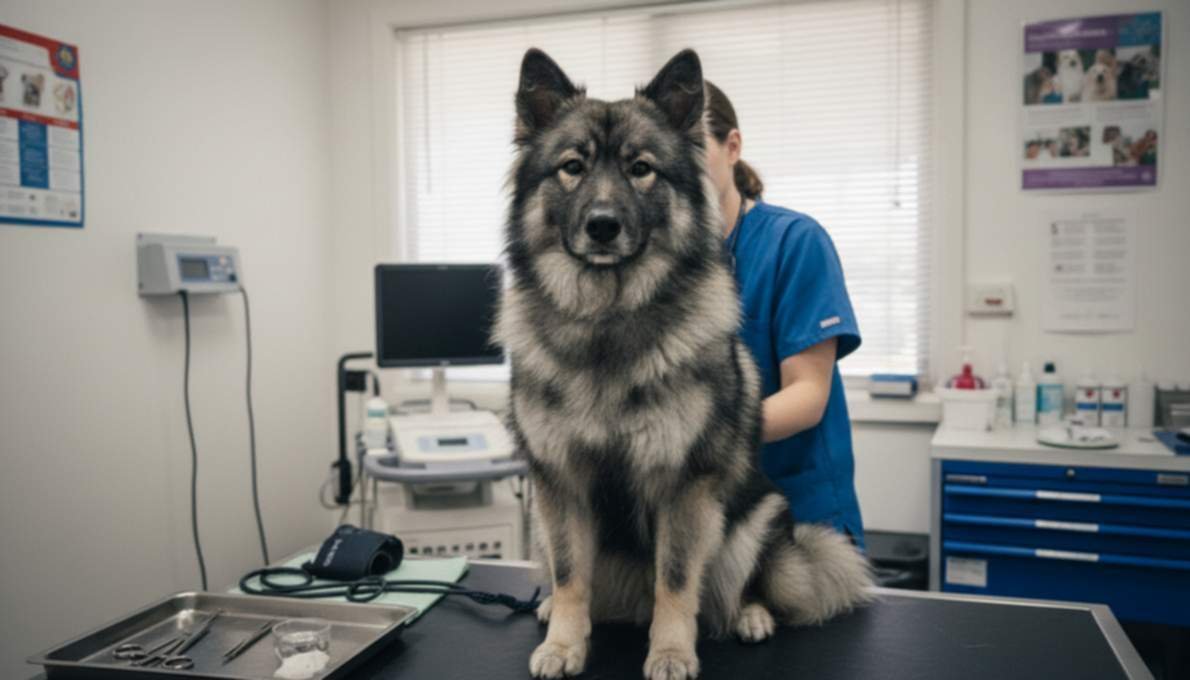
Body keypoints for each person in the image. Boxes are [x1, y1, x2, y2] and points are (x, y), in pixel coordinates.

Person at [703, 81, 867, 549]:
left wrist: (698, 443)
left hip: (800, 520)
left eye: (694, 147)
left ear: (732, 146)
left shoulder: (795, 242)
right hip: (709, 518)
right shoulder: (661, 263)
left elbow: (808, 396)